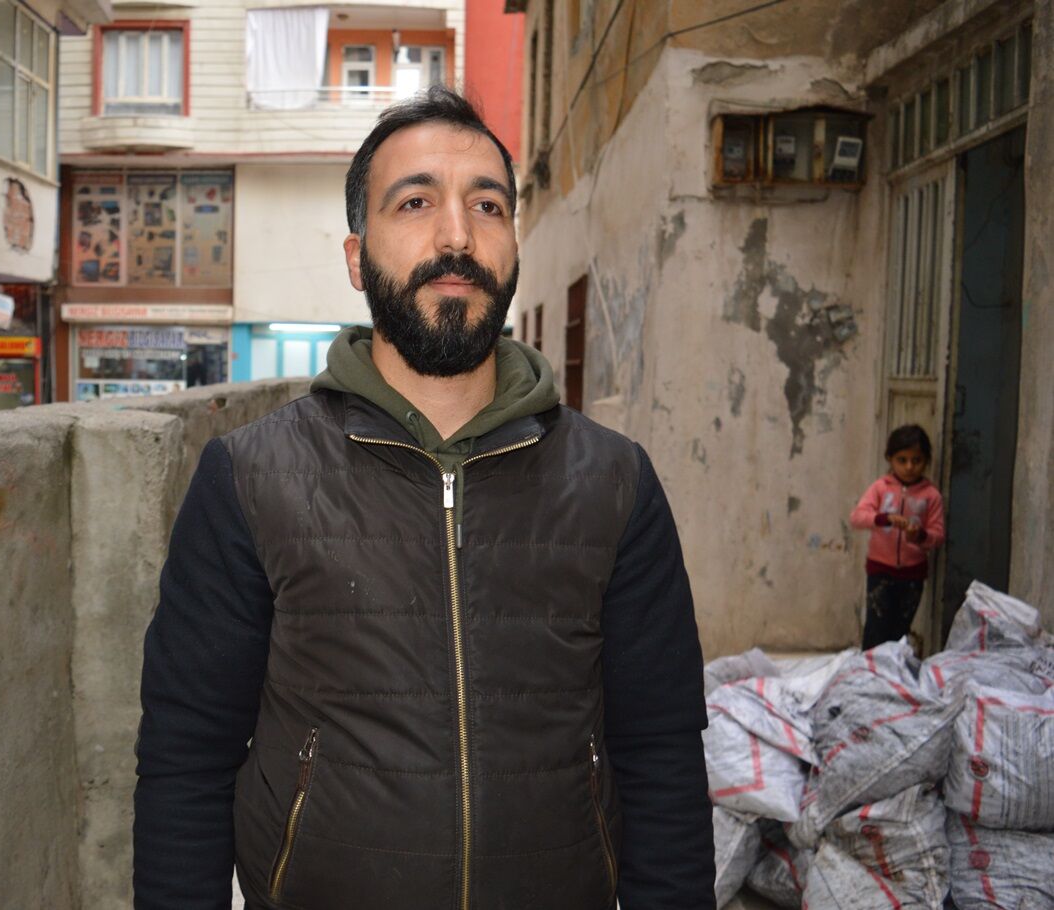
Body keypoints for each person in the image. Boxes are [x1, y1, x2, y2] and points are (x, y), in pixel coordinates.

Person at [133, 87, 713, 910]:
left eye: (488, 205)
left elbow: (661, 754)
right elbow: (185, 756)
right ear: (355, 255)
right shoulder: (249, 478)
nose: (456, 236)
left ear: (514, 244)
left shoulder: (614, 482)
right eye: (415, 202)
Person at [848, 424, 946, 650]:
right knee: (876, 629)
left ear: (926, 461)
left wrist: (919, 535)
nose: (909, 467)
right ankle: (870, 668)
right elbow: (857, 517)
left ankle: (894, 671)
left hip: (912, 574)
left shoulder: (931, 495)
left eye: (916, 460)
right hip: (880, 570)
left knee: (900, 631)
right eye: (902, 460)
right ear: (890, 459)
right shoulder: (880, 488)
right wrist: (884, 519)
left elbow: (938, 535)